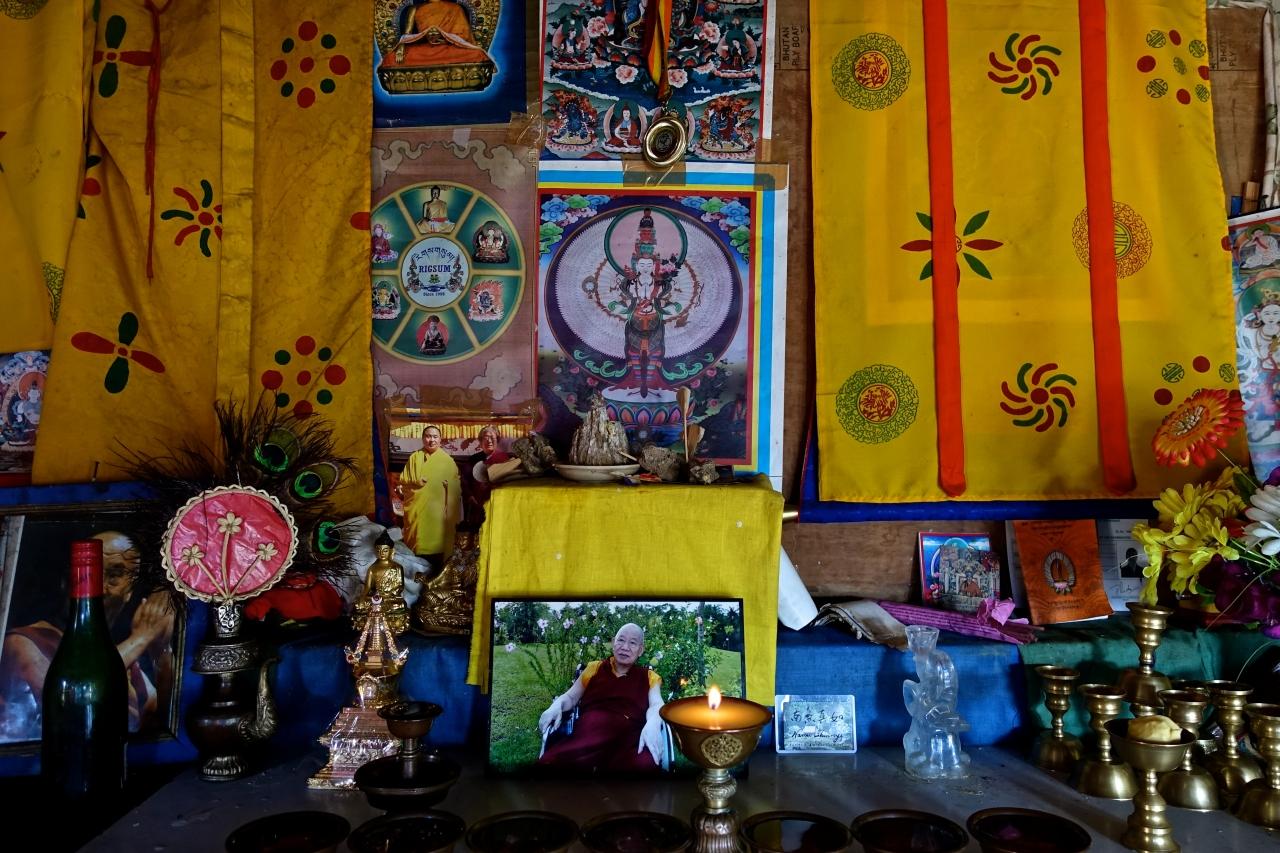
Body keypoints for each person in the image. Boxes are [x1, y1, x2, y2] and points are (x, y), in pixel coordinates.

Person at [0, 531, 175, 742]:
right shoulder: (24, 642)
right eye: (89, 574)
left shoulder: (118, 655)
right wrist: (142, 637)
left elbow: (157, 716)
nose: (98, 589)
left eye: (114, 576)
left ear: (129, 593)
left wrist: (160, 650)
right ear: (67, 582)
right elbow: (69, 707)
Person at [537, 623, 665, 773]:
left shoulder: (649, 677)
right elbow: (571, 697)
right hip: (590, 733)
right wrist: (556, 706)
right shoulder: (595, 668)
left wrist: (653, 724)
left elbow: (656, 705)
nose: (625, 647)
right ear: (613, 642)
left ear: (640, 650)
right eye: (621, 640)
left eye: (632, 643)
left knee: (645, 765)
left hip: (629, 738)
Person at [399, 425, 462, 559]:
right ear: (423, 438)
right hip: (417, 510)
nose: (432, 440)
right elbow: (403, 480)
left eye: (435, 437)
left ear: (440, 439)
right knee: (417, 542)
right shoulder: (414, 457)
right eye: (428, 436)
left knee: (437, 545)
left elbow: (456, 486)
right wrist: (416, 480)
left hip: (437, 512)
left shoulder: (447, 461)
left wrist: (449, 485)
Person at [382, 0, 493, 69]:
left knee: (477, 54)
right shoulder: (415, 9)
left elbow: (463, 35)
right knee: (390, 58)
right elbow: (407, 34)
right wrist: (401, 48)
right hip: (425, 48)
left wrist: (445, 38)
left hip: (449, 47)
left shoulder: (455, 8)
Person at [351, 532, 409, 636]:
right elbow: (368, 587)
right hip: (376, 598)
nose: (381, 553)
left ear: (391, 551)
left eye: (385, 550)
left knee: (399, 604)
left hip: (390, 598)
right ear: (375, 551)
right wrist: (363, 597)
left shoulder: (397, 567)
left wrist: (391, 593)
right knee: (359, 605)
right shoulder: (372, 568)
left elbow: (400, 586)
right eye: (378, 550)